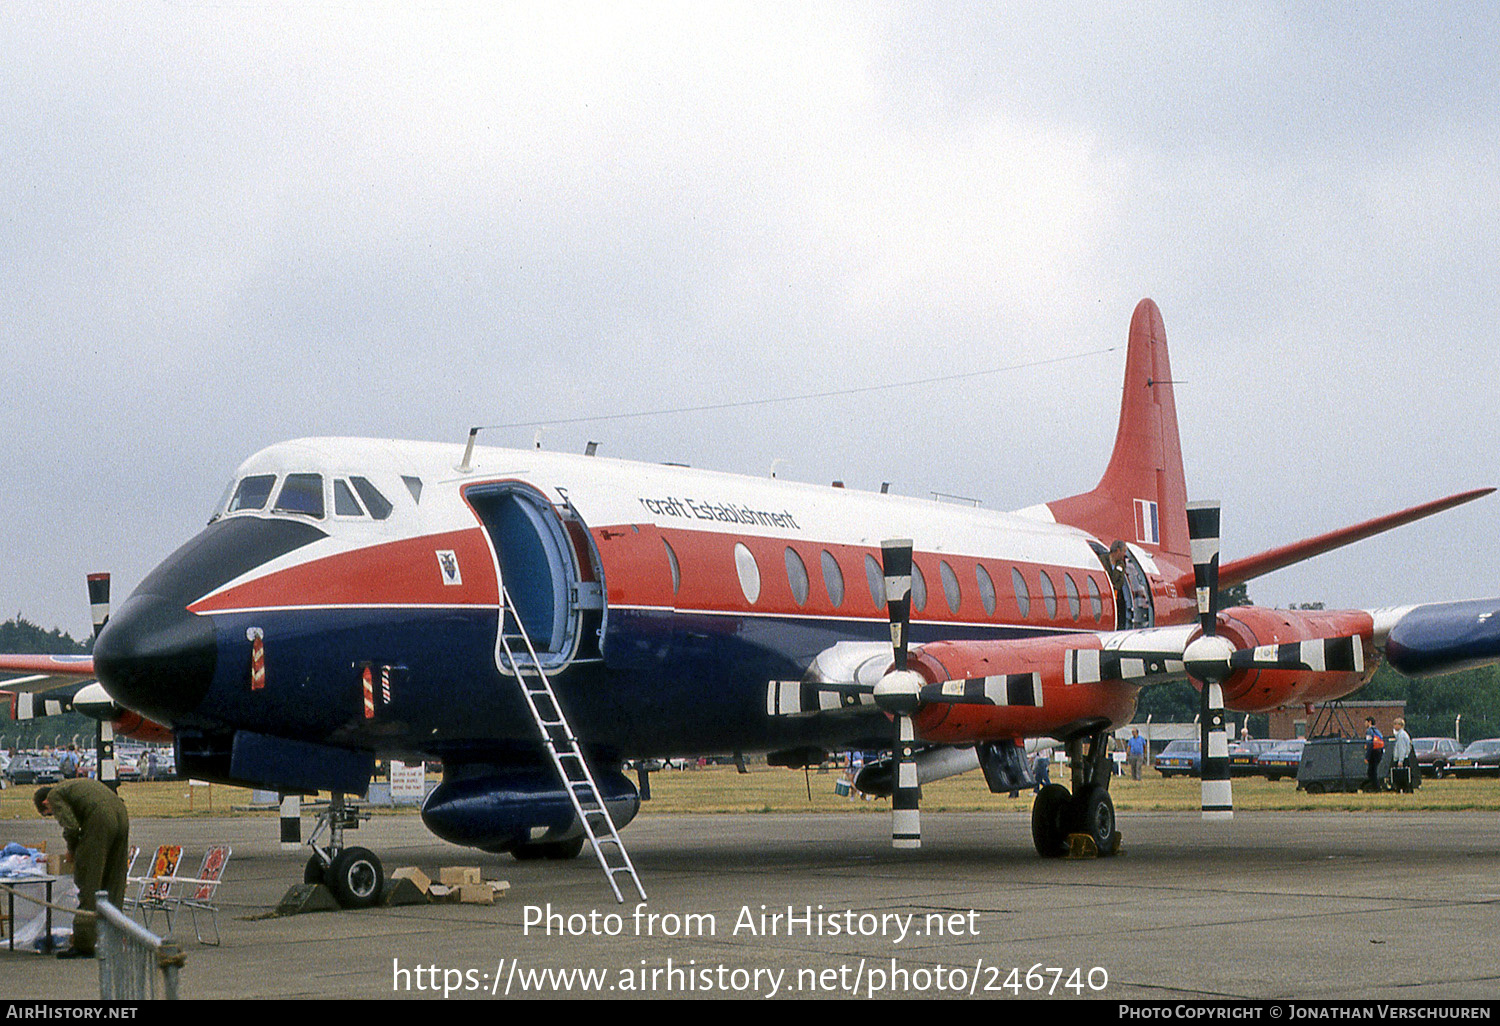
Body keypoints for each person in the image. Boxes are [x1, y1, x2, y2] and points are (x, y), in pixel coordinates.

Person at [34, 778, 130, 959]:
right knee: (114, 880)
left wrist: (72, 849)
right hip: (121, 813)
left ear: (45, 803)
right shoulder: (72, 786)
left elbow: (71, 825)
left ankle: (84, 944)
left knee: (89, 881)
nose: (53, 816)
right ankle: (114, 937)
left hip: (100, 819)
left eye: (49, 813)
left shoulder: (55, 796)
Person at [1391, 718, 1415, 793]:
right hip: (1404, 758)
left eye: (1395, 724)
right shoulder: (1403, 734)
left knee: (1402, 776)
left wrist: (1400, 760)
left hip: (1402, 759)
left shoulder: (1401, 736)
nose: (1394, 726)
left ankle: (1404, 789)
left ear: (1400, 725)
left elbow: (1402, 749)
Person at [1364, 716, 1386, 792]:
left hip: (1373, 753)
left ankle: (1376, 788)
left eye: (1366, 722)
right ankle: (1376, 788)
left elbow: (1370, 744)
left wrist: (1367, 757)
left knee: (1371, 772)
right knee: (1374, 771)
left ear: (1369, 722)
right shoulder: (1377, 731)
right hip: (1379, 752)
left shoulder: (1369, 731)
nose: (1364, 724)